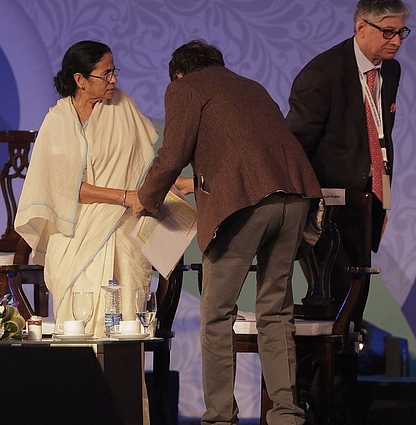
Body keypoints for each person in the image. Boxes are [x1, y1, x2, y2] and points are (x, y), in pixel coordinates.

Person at [131, 40, 323, 425]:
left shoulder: (185, 87)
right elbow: (247, 147)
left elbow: (173, 153)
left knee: (217, 313)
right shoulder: (250, 85)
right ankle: (286, 415)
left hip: (244, 204)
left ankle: (220, 417)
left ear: (180, 73)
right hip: (296, 196)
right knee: (277, 312)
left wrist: (145, 199)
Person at [14, 40, 159, 337]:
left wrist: (183, 184)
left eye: (114, 71)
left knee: (127, 324)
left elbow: (143, 168)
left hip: (122, 229)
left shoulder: (123, 106)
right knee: (79, 326)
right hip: (75, 233)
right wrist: (123, 196)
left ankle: (123, 382)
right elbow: (64, 188)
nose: (114, 80)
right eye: (105, 74)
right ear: (80, 80)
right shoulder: (57, 122)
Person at [285, 0, 410, 306]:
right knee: (332, 298)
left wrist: (385, 202)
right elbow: (295, 146)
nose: (396, 41)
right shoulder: (322, 74)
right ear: (361, 28)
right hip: (325, 206)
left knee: (357, 295)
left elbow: (381, 141)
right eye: (388, 32)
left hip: (367, 200)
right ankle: (318, 355)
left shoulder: (390, 71)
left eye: (401, 32)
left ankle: (348, 353)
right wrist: (305, 207)